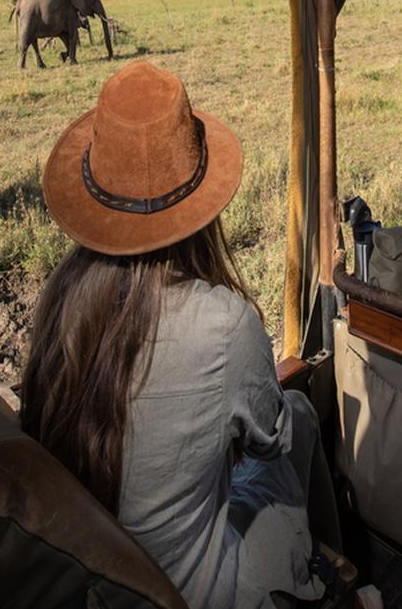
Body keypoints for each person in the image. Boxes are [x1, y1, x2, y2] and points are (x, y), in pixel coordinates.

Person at [20, 60, 325, 609]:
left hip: (102, 588)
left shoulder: (59, 300)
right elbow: (269, 439)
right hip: (196, 593)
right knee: (299, 415)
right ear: (200, 202)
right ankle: (334, 583)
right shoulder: (224, 323)